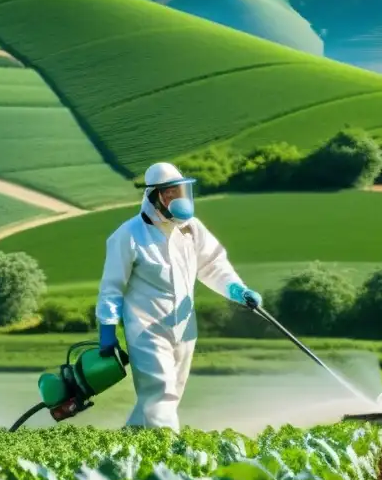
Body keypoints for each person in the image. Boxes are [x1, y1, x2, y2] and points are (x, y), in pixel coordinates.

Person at [95, 161, 262, 431]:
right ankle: (172, 458)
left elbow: (214, 265)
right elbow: (112, 287)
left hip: (185, 327)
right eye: (169, 193)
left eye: (179, 191)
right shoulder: (127, 236)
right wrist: (107, 328)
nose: (177, 199)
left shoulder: (192, 229)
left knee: (166, 397)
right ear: (154, 197)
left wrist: (237, 290)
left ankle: (128, 442)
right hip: (147, 329)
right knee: (161, 393)